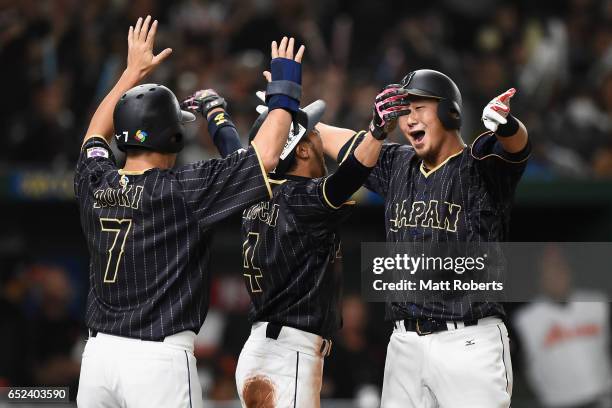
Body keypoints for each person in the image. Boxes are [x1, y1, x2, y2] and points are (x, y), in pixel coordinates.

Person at [74, 15, 305, 407]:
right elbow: (266, 155)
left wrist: (130, 73)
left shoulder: (96, 179)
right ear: (173, 136)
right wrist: (284, 89)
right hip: (156, 362)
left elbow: (96, 133)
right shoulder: (183, 188)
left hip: (97, 359)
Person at [182, 81, 410, 407]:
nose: (319, 136)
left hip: (266, 348)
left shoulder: (253, 187)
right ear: (302, 150)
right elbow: (351, 175)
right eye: (313, 133)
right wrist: (376, 132)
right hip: (289, 356)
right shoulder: (303, 199)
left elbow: (232, 147)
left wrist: (215, 112)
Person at [317, 69, 530, 407]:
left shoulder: (478, 166)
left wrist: (505, 125)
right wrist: (291, 117)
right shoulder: (398, 164)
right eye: (405, 112)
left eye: (419, 107)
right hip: (404, 343)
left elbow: (516, 149)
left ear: (449, 111)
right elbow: (347, 144)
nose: (409, 119)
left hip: (469, 341)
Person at [513, 245, 612, 408]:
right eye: (548, 269)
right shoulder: (525, 320)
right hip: (562, 403)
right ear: (539, 276)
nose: (556, 274)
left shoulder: (597, 302)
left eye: (560, 266)